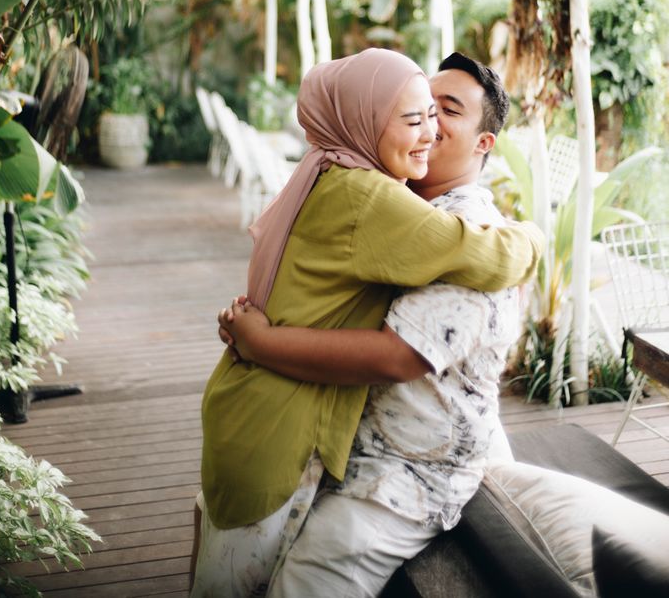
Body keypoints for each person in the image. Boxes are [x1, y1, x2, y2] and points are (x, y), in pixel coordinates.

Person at [190, 48, 542, 598]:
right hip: (294, 431)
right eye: (418, 108)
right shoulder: (377, 194)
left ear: (483, 143)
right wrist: (533, 238)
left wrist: (261, 340)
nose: (429, 123)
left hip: (397, 473)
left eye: (445, 110)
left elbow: (400, 356)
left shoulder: (360, 183)